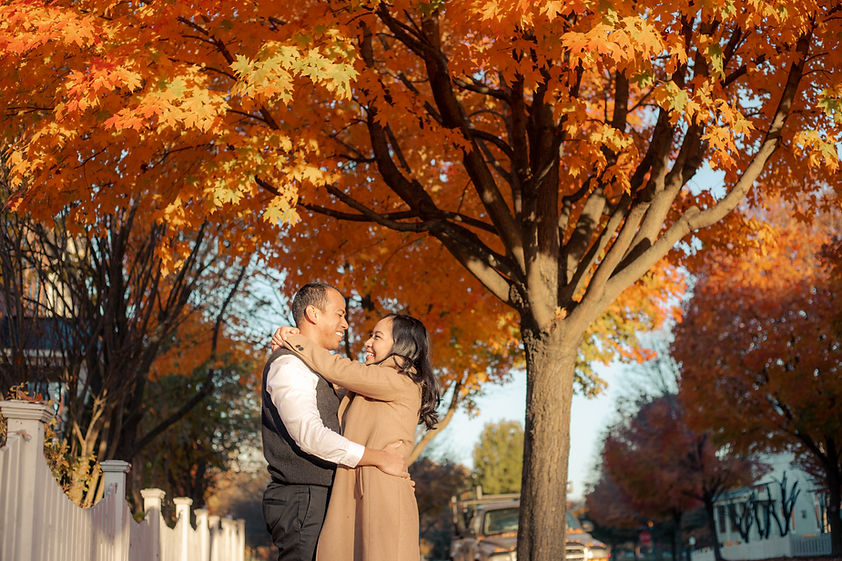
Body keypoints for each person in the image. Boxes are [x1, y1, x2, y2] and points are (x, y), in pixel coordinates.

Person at [272, 312, 441, 561]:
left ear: (401, 345)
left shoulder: (398, 379)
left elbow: (336, 368)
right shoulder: (370, 385)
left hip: (379, 492)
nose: (368, 342)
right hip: (361, 486)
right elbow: (332, 384)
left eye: (377, 336)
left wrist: (296, 341)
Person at [261, 282, 409, 561]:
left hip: (317, 498)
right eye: (339, 314)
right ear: (313, 315)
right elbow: (310, 436)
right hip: (302, 499)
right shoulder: (290, 365)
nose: (345, 323)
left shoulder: (319, 368)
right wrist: (379, 458)